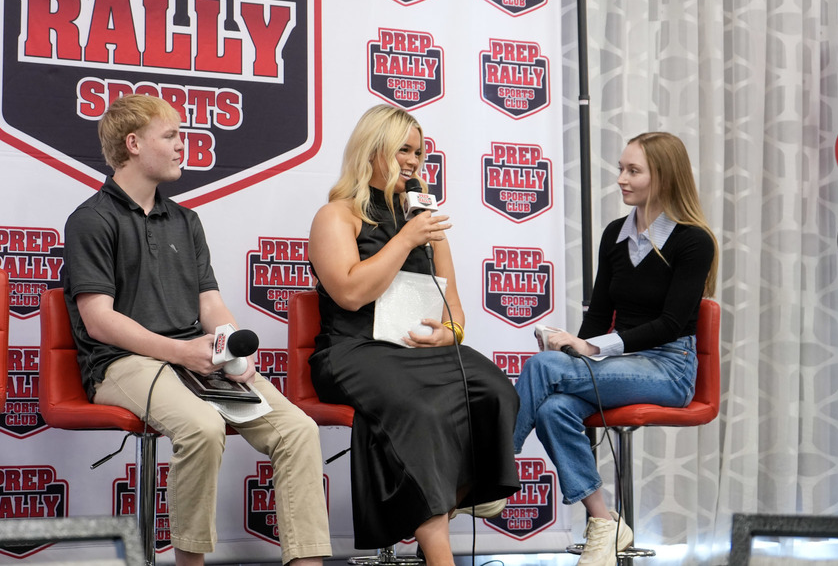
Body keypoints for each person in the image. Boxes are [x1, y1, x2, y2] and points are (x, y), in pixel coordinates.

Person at [62, 94, 331, 566]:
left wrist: (233, 351)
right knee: (203, 428)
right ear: (133, 144)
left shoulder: (187, 221)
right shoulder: (91, 219)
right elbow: (99, 320)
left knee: (297, 429)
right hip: (121, 364)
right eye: (170, 135)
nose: (182, 145)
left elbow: (210, 304)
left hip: (194, 358)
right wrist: (179, 352)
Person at [306, 104, 521, 566]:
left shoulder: (425, 218)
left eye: (419, 153)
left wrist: (449, 334)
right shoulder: (337, 215)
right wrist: (405, 239)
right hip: (353, 351)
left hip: (415, 350)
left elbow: (454, 308)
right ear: (372, 149)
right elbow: (349, 294)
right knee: (420, 410)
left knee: (494, 388)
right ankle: (440, 554)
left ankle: (454, 496)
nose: (413, 161)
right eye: (402, 149)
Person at [513, 131, 719, 566]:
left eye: (633, 171)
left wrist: (589, 347)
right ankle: (604, 522)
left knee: (542, 368)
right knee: (553, 409)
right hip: (622, 362)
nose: (621, 178)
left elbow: (670, 325)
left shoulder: (693, 240)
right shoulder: (615, 234)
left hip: (669, 368)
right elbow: (599, 313)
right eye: (621, 168)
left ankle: (489, 476)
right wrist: (573, 349)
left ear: (663, 177)